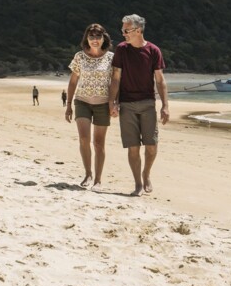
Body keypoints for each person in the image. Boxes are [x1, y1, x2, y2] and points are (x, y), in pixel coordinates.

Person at [109, 14, 169, 197]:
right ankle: (137, 184)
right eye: (122, 30)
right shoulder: (121, 49)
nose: (123, 33)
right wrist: (112, 102)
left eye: (126, 30)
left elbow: (160, 80)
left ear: (138, 30)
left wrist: (165, 105)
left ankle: (146, 174)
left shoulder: (153, 50)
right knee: (133, 147)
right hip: (126, 105)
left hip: (148, 103)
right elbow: (116, 78)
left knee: (151, 145)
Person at [65, 24, 114, 190]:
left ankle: (98, 180)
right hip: (82, 101)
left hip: (103, 103)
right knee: (84, 139)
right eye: (91, 36)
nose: (94, 40)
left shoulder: (111, 58)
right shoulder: (79, 57)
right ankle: (88, 174)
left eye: (98, 36)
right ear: (86, 38)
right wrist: (68, 105)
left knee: (99, 143)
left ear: (103, 38)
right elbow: (73, 81)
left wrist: (115, 103)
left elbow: (116, 83)